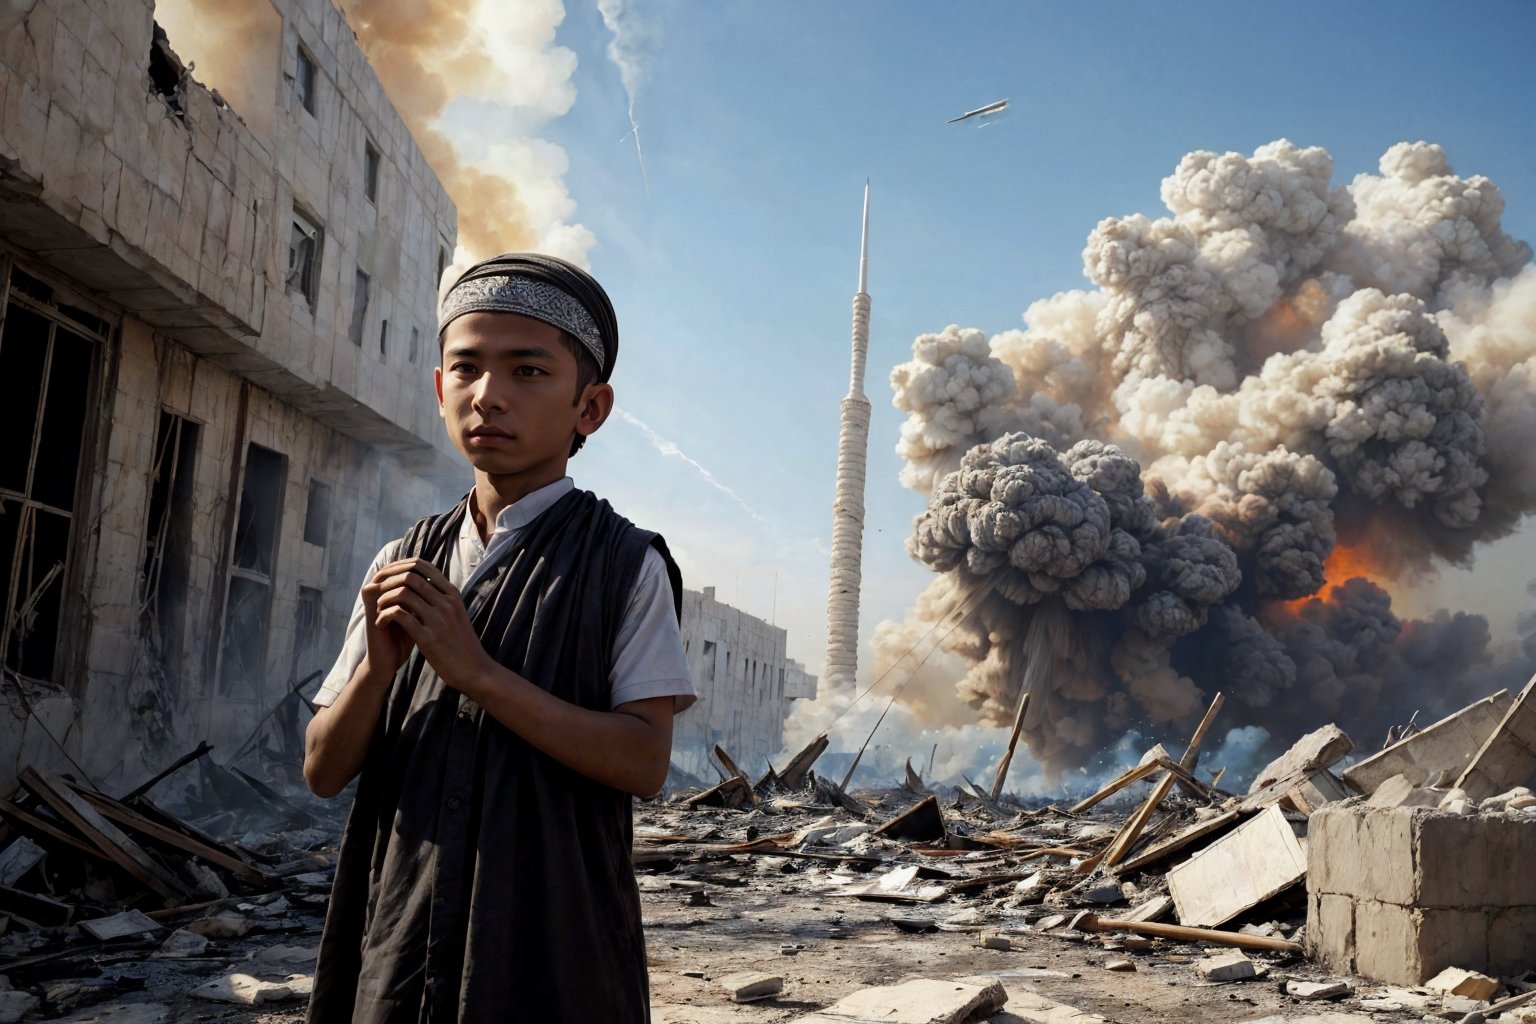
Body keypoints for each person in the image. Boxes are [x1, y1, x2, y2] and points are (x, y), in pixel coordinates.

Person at [302, 253, 694, 1023]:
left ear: (591, 408)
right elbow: (322, 769)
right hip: (402, 928)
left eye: (527, 371)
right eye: (467, 368)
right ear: (441, 388)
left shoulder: (625, 565)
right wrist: (379, 672)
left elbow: (644, 762)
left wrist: (476, 673)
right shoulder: (403, 560)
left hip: (554, 940)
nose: (490, 396)